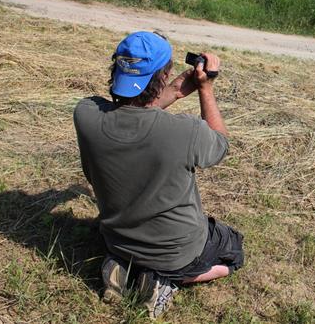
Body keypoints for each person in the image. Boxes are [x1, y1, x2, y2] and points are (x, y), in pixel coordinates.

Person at [73, 31, 244, 319]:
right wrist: (206, 89)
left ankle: (123, 265)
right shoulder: (185, 131)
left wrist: (176, 90)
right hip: (176, 252)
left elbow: (132, 113)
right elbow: (220, 144)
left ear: (117, 69)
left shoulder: (86, 114)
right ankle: (165, 279)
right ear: (161, 76)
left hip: (117, 240)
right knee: (234, 249)